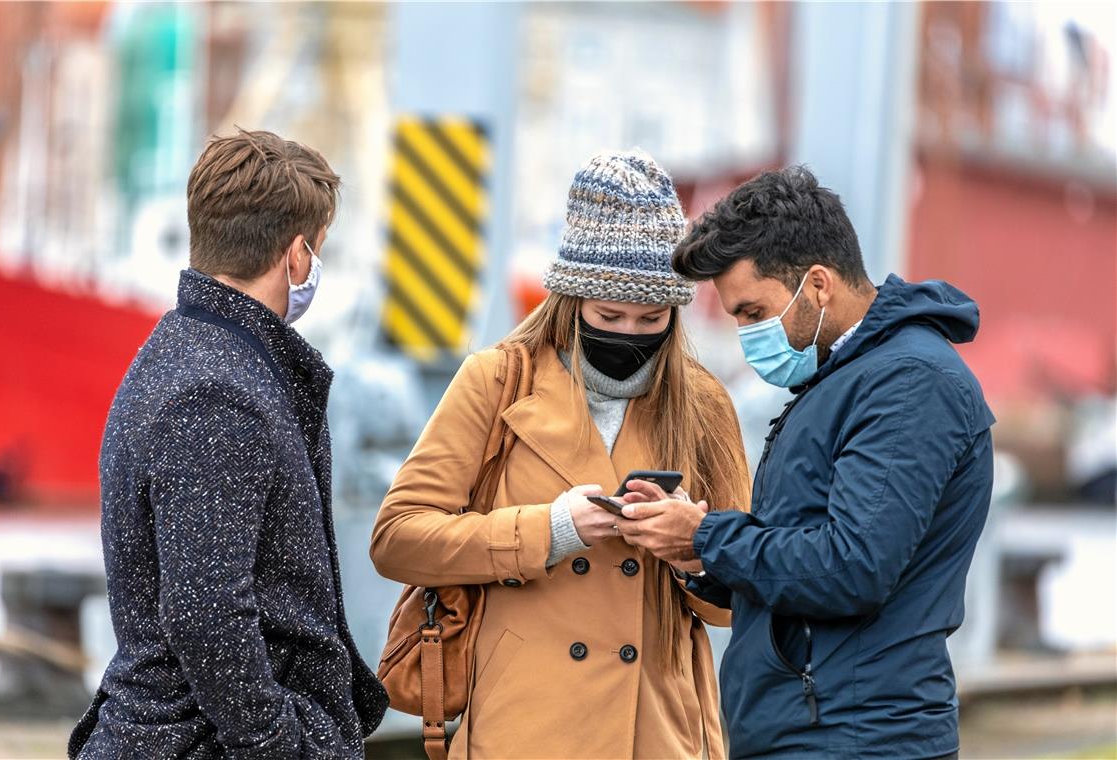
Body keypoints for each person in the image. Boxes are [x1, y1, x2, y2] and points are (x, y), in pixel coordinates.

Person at [370, 151, 751, 759]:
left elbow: (741, 600)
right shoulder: (496, 381)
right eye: (609, 315)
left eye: (651, 317)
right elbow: (397, 538)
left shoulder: (702, 402)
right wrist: (548, 530)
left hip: (654, 735)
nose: (629, 333)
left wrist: (691, 548)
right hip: (523, 727)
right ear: (571, 301)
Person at [616, 166, 995, 759]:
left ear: (818, 285)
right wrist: (698, 552)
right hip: (810, 728)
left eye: (751, 311)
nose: (746, 334)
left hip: (855, 736)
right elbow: (800, 558)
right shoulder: (846, 379)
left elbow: (853, 567)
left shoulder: (907, 383)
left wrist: (711, 534)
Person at [69, 129, 387, 759]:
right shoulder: (220, 393)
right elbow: (205, 608)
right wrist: (282, 743)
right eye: (318, 251)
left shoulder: (184, 354)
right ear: (298, 255)